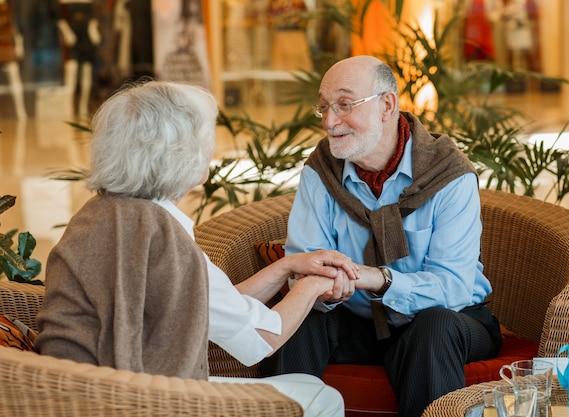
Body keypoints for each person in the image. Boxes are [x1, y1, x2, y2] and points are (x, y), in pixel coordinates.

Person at [34, 80, 360, 417]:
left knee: (310, 388)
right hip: (139, 398)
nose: (212, 148)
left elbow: (207, 302)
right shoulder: (160, 233)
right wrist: (314, 285)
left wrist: (286, 267)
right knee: (323, 399)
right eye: (206, 138)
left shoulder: (101, 212)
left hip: (77, 389)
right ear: (181, 153)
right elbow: (259, 340)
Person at [260, 55, 502, 416]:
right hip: (356, 321)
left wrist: (379, 280)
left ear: (387, 105)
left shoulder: (449, 174)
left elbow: (452, 286)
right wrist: (321, 286)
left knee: (433, 327)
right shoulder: (321, 171)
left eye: (344, 104)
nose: (329, 121)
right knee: (301, 316)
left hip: (450, 320)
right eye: (324, 107)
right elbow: (306, 262)